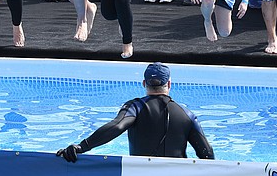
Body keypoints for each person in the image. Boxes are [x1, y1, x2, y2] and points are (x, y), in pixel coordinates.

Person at [56, 62, 214, 162]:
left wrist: (81, 147)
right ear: (169, 84)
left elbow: (116, 127)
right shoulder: (187, 114)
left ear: (144, 83)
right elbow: (207, 154)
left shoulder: (136, 107)